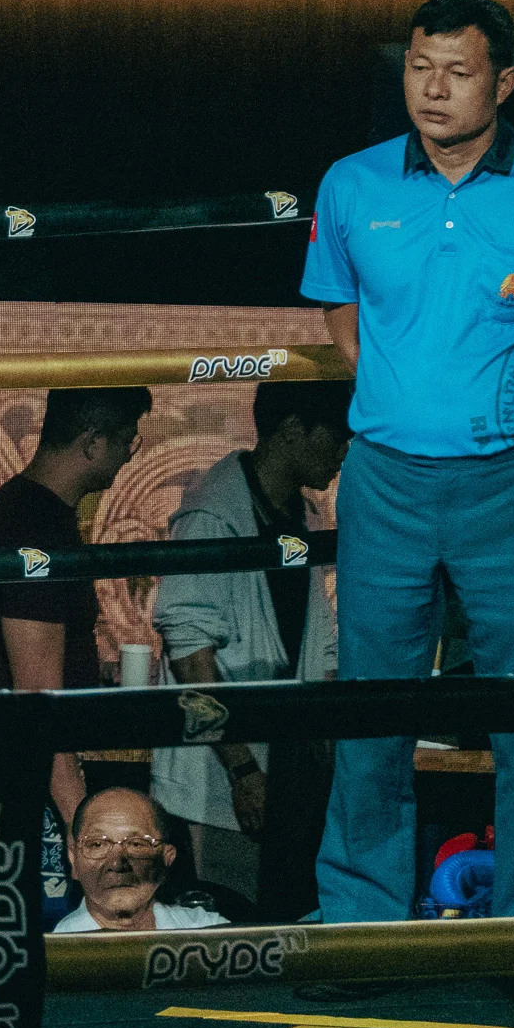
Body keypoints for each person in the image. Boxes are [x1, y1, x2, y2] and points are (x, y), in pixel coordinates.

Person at [301, 0, 514, 922]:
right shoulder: (351, 182)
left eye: (458, 72)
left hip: (506, 481)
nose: (433, 89)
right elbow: (343, 321)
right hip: (385, 478)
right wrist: (404, 403)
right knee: (370, 711)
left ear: (505, 83)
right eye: (418, 68)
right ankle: (359, 927)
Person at [151, 380, 351, 920]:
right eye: (336, 437)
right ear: (292, 431)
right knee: (227, 924)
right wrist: (242, 770)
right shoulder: (214, 514)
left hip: (285, 771)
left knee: (282, 925)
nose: (342, 452)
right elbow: (190, 652)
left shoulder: (297, 515)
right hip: (231, 776)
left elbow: (316, 646)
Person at [0, 386, 152, 826]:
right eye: (127, 440)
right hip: (23, 787)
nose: (129, 455)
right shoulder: (34, 525)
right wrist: (80, 826)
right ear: (93, 442)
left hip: (18, 775)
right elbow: (36, 699)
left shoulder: (36, 512)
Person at [54, 788, 228, 933]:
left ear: (167, 857)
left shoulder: (206, 932)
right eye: (97, 844)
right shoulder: (57, 952)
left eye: (136, 844)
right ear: (73, 859)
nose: (117, 864)